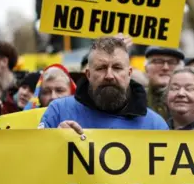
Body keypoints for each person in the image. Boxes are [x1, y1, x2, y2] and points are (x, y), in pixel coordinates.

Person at [39, 36, 168, 131]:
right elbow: (35, 160)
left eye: (117, 68)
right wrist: (55, 140)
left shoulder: (155, 126)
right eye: (101, 68)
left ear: (129, 74)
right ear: (88, 74)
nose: (109, 76)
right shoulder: (59, 112)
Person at [144, 46, 184, 121]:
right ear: (146, 68)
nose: (165, 67)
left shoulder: (191, 102)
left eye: (172, 62)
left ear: (181, 69)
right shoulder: (134, 99)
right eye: (158, 61)